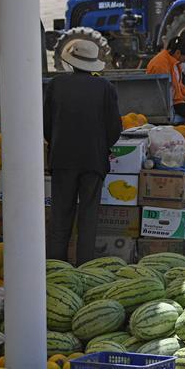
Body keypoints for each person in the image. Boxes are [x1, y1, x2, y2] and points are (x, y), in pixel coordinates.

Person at [43, 39, 122, 264]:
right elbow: (114, 129)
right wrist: (101, 145)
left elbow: (46, 124)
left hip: (62, 159)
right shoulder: (105, 88)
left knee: (60, 215)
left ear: (72, 62)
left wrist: (57, 142)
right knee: (88, 217)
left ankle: (56, 267)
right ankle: (85, 266)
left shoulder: (56, 84)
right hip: (93, 160)